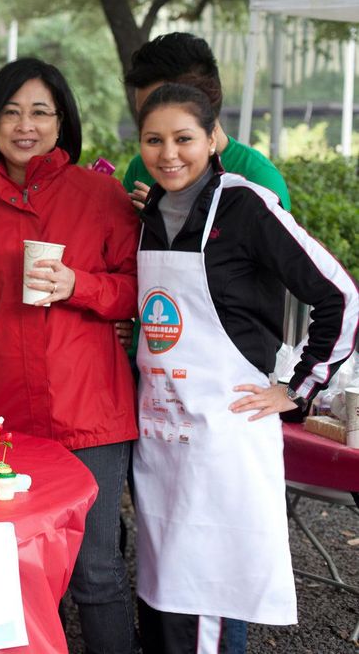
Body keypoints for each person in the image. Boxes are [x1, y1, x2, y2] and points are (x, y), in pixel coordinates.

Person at [132, 83, 358, 654]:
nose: (169, 153)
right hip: (162, 436)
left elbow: (341, 297)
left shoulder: (246, 205)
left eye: (184, 138)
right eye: (153, 140)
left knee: (207, 596)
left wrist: (297, 389)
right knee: (163, 594)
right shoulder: (151, 212)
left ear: (213, 139)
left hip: (225, 438)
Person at [0, 57, 140, 653]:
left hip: (91, 415)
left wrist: (82, 285)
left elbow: (143, 292)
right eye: (11, 111)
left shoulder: (100, 195)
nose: (26, 125)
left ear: (61, 121)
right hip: (2, 421)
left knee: (96, 569)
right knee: (11, 567)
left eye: (41, 112)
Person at [121, 32, 291, 211]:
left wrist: (168, 218)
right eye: (144, 116)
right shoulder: (141, 168)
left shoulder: (257, 178)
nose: (167, 155)